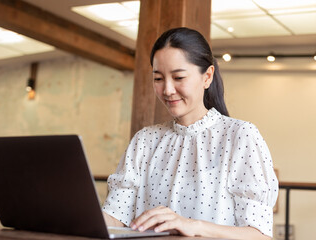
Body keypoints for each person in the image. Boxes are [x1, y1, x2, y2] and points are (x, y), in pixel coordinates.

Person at [102, 27, 279, 240]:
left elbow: (259, 235)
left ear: (207, 77)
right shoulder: (144, 140)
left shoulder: (240, 136)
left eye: (178, 77)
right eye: (158, 78)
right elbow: (116, 216)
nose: (167, 90)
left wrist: (192, 226)